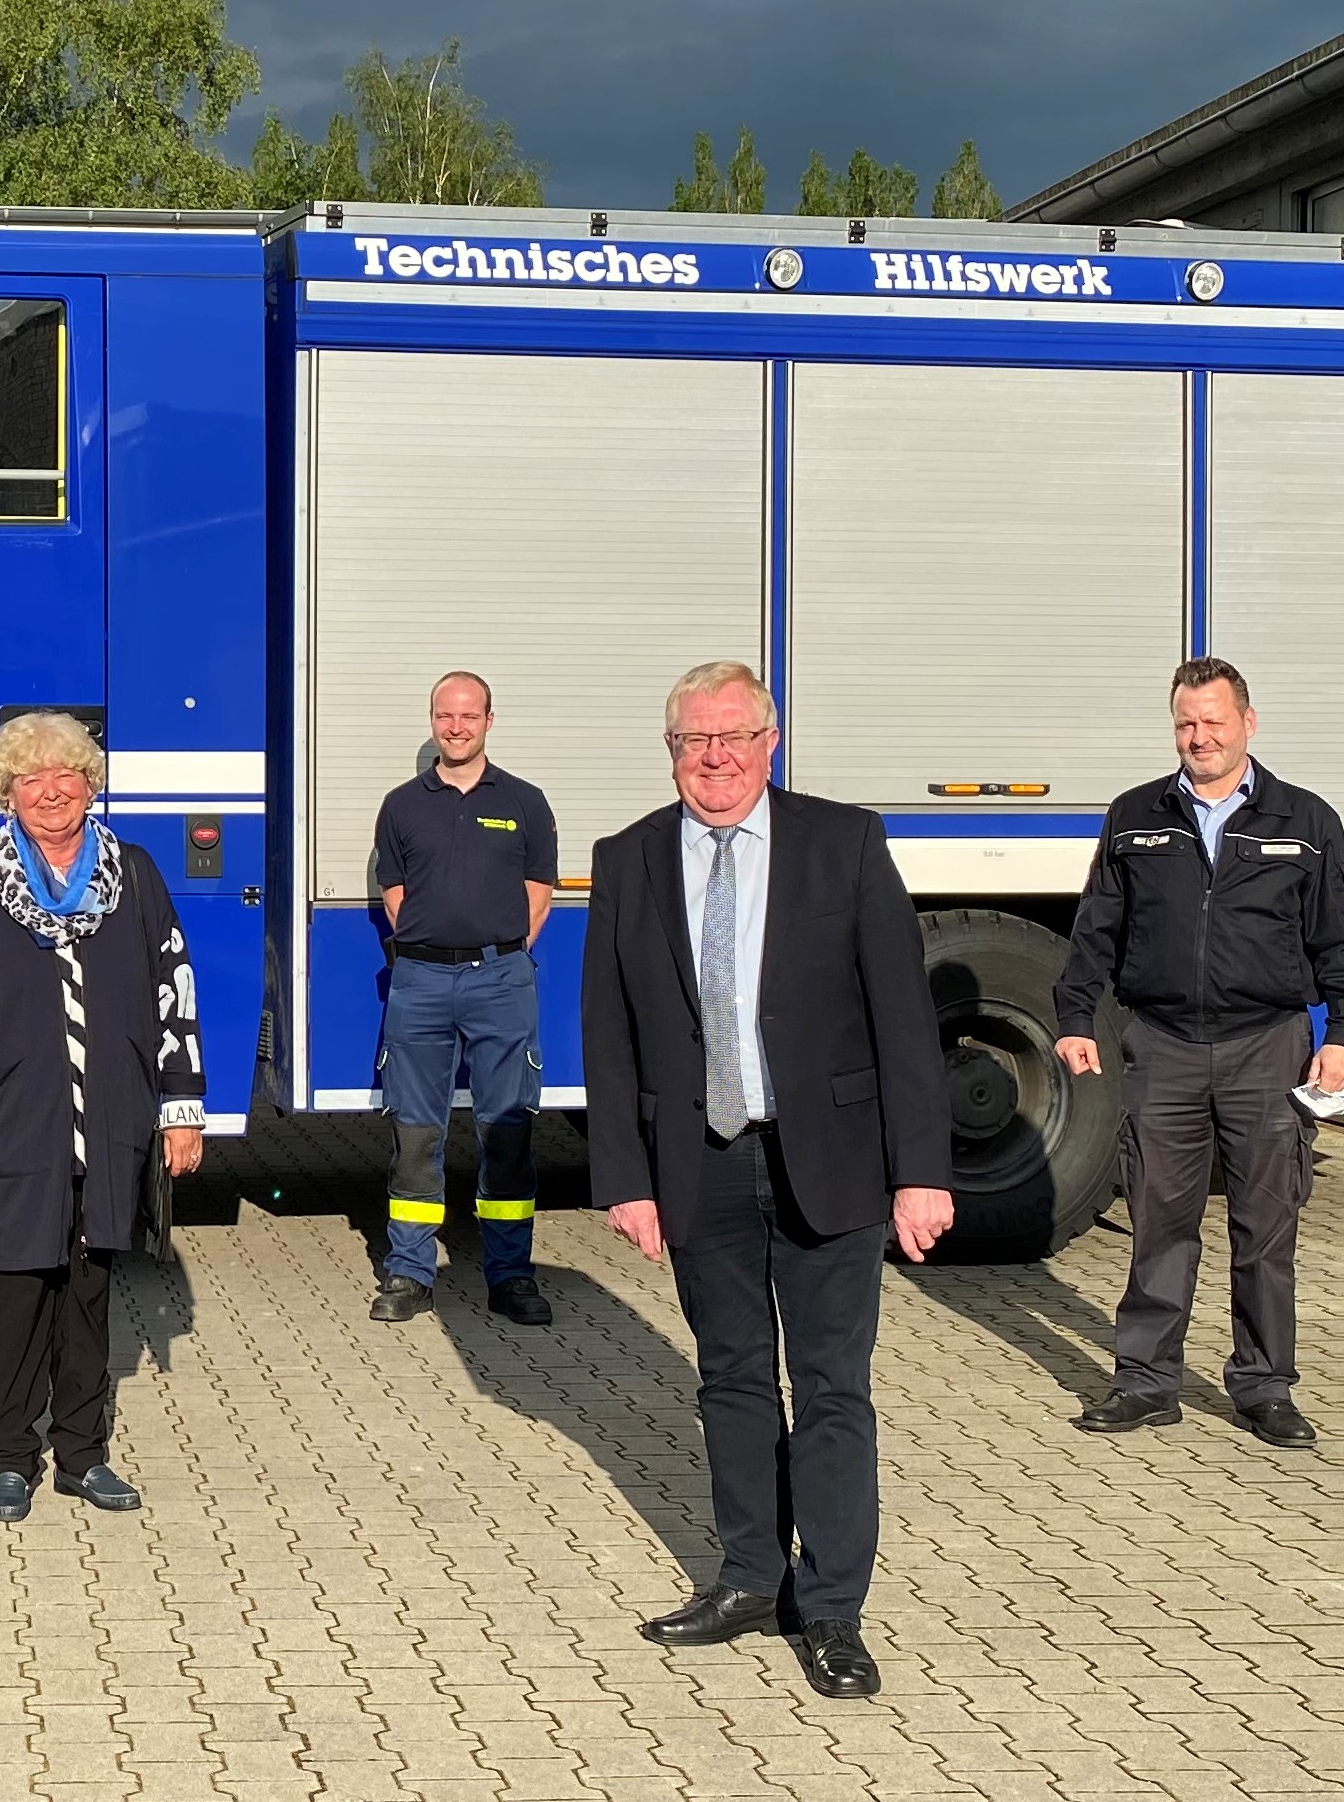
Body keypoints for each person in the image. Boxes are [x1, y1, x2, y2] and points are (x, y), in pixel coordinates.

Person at [580, 661, 951, 1700]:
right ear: (669, 751)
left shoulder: (843, 841)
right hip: (696, 1162)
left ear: (769, 739)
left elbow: (901, 1020)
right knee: (731, 1380)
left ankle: (830, 1608)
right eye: (693, 740)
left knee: (831, 1387)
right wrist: (624, 1175)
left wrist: (919, 1168)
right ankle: (749, 1575)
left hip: (826, 1159)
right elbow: (604, 1031)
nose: (713, 757)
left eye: (732, 736)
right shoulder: (630, 857)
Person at [1052, 657, 1344, 1452]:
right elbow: (1096, 926)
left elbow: (1340, 939)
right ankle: (1145, 1381)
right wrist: (1072, 1016)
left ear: (1247, 724)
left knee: (1265, 1226)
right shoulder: (1134, 815)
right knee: (1160, 1220)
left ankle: (1264, 1387)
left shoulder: (1303, 820)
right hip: (1160, 1045)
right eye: (1184, 724)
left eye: (1212, 723)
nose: (1197, 738)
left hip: (1265, 1047)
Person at [0, 710, 206, 1524]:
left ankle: (82, 1453)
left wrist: (182, 1107)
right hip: (11, 1120)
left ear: (88, 784)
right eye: (29, 779)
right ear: (7, 793)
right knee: (14, 1291)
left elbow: (173, 994)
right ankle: (9, 1456)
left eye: (63, 775)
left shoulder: (133, 875)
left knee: (88, 1290)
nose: (48, 792)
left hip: (108, 1120)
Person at [368, 671, 559, 1326]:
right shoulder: (400, 805)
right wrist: (431, 945)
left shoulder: (525, 801)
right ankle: (410, 1271)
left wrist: (493, 951)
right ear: (432, 720)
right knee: (414, 1135)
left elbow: (538, 891)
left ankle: (510, 1276)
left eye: (467, 715)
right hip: (419, 982)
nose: (455, 726)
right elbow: (393, 890)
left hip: (500, 980)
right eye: (444, 716)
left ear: (487, 720)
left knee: (506, 1133)